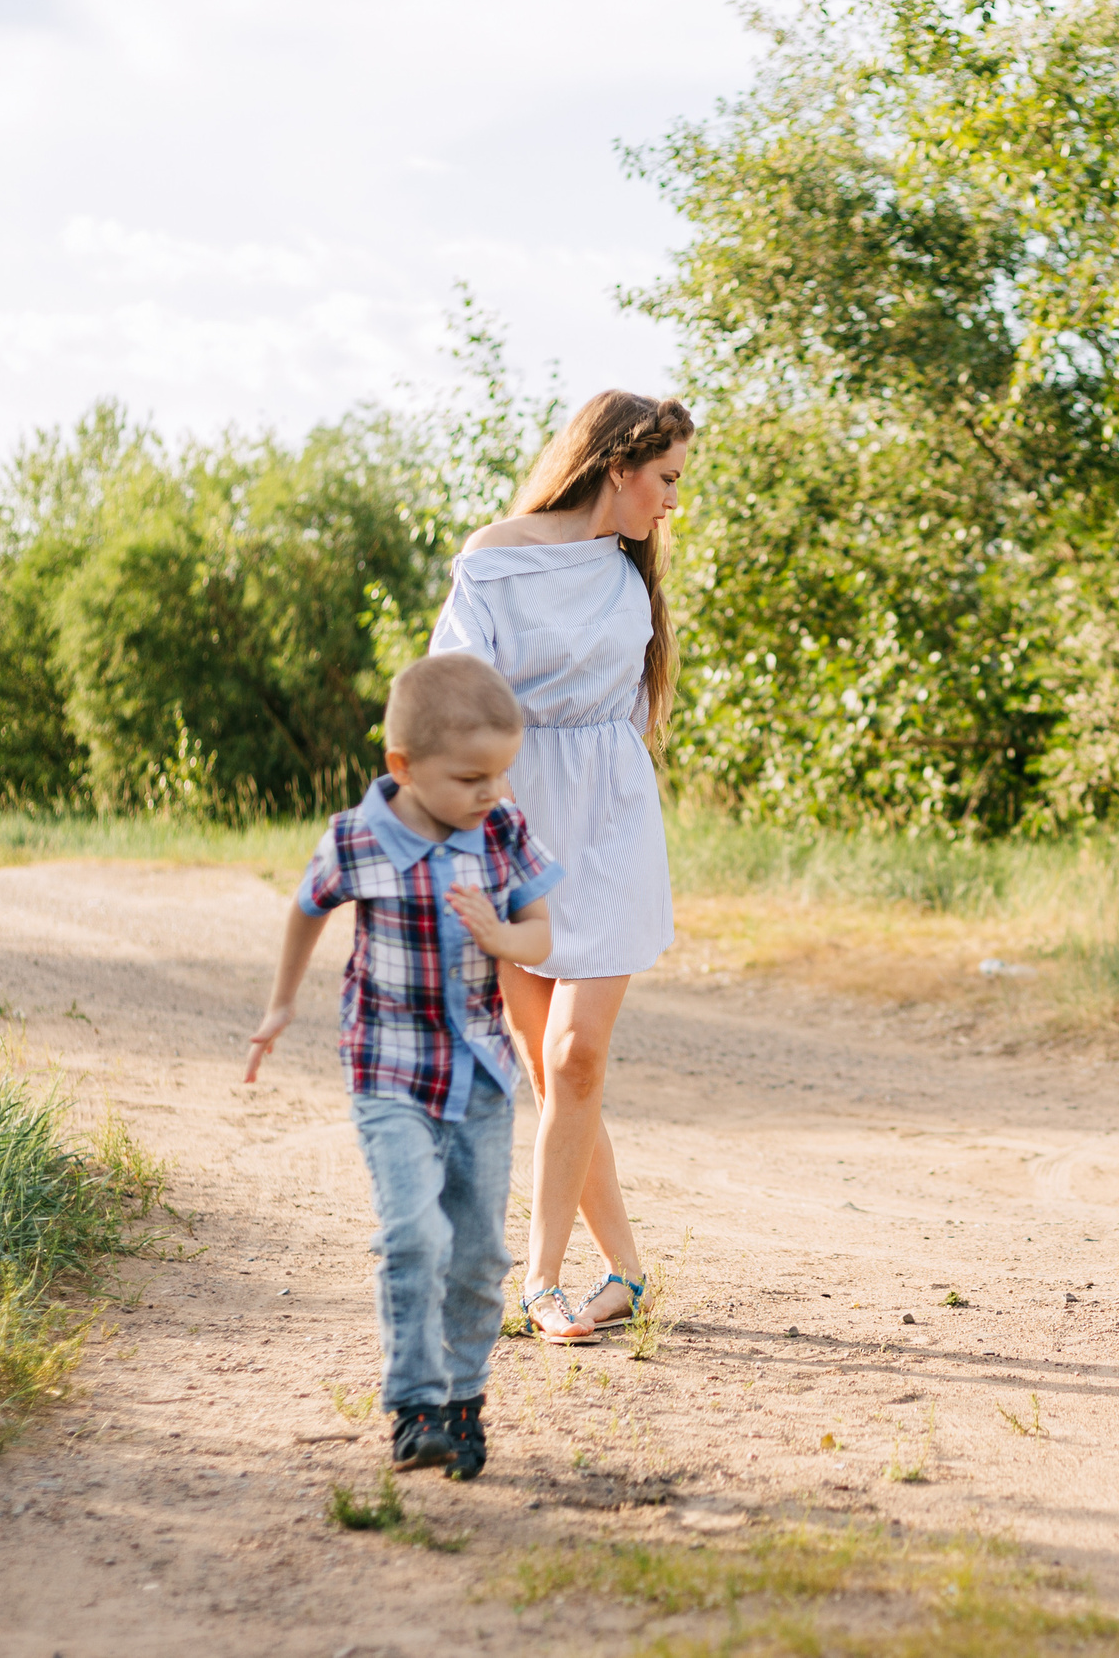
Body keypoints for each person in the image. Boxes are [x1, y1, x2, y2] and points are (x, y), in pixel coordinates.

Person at [242, 653, 563, 1478]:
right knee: (415, 1232)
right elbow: (307, 906)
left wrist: (501, 936)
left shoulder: (501, 829)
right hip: (388, 1069)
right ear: (404, 768)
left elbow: (543, 935)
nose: (491, 792)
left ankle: (464, 1399)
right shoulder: (359, 836)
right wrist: (281, 1004)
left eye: (500, 773)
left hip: (482, 1077)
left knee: (480, 1252)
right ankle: (414, 1405)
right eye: (470, 777)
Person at [429, 389, 692, 1342]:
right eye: (665, 479)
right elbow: (455, 693)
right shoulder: (494, 560)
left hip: (614, 816)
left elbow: (629, 710)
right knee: (553, 1070)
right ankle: (624, 1270)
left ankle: (538, 1283)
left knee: (578, 1054)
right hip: (519, 824)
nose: (671, 501)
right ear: (619, 464)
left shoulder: (630, 573)